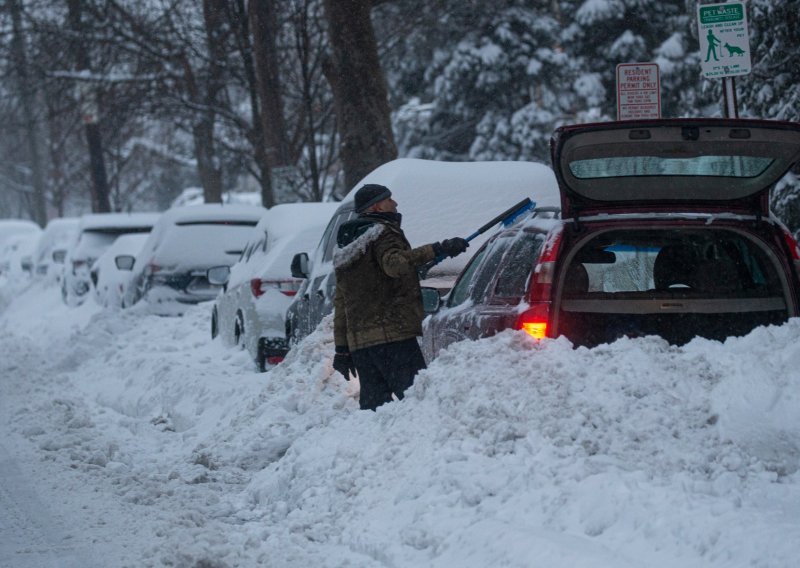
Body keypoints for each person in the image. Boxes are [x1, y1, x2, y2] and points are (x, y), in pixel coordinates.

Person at [332, 183, 469, 410]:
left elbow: (342, 301)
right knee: (417, 404)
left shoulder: (346, 248)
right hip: (392, 338)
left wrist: (342, 349)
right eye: (389, 199)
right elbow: (394, 265)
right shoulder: (382, 232)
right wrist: (436, 248)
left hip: (362, 346)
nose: (394, 203)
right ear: (376, 207)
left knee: (374, 413)